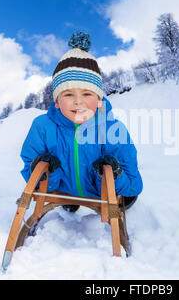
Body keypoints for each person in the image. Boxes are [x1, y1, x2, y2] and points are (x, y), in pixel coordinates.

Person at [20, 32, 142, 212]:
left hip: (101, 192)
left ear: (99, 99)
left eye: (87, 94)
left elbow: (133, 183)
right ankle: (71, 200)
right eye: (69, 94)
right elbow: (30, 171)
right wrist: (48, 172)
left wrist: (113, 176)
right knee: (47, 170)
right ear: (56, 101)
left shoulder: (113, 129)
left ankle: (104, 196)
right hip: (63, 190)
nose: (78, 102)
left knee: (128, 194)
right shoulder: (42, 127)